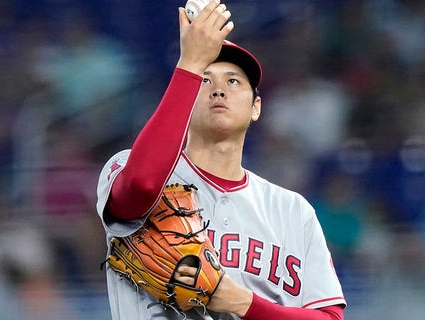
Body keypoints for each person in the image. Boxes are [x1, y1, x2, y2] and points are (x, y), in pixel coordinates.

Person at [95, 1, 346, 319]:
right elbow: (142, 186)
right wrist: (190, 63)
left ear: (256, 107)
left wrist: (239, 301)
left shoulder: (293, 211)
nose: (218, 90)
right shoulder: (128, 166)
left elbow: (329, 318)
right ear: (184, 92)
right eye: (204, 79)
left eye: (233, 81)